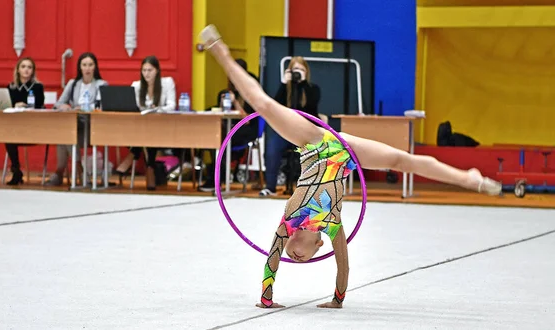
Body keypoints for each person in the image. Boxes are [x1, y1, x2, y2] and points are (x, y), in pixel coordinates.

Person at [198, 24, 502, 309]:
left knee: (263, 106)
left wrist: (266, 298)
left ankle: (468, 178)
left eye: (294, 255)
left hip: (315, 142)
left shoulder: (290, 221)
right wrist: (338, 299)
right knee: (399, 160)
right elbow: (343, 265)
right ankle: (468, 178)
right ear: (320, 245)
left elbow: (272, 259)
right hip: (343, 154)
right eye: (302, 258)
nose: (295, 255)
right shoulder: (333, 225)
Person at [260, 57, 321, 196]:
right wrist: (284, 83)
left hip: (306, 132)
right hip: (286, 132)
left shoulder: (312, 89)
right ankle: (270, 187)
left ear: (306, 71)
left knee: (313, 152)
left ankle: (310, 189)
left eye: (301, 69)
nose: (297, 73)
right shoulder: (286, 89)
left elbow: (312, 106)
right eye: (295, 70)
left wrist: (303, 82)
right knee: (272, 148)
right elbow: (274, 106)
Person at [114, 55, 177, 190]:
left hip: (163, 126)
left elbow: (172, 106)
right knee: (146, 132)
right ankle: (150, 167)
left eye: (150, 70)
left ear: (157, 71)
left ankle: (132, 156)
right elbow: (132, 107)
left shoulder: (167, 83)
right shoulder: (136, 86)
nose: (147, 74)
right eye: (144, 70)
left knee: (149, 132)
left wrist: (157, 109)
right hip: (141, 127)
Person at [198, 58, 259, 192]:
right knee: (216, 136)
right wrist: (222, 103)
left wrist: (235, 102)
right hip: (228, 128)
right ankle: (216, 178)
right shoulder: (227, 92)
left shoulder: (251, 93)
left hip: (246, 129)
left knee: (222, 138)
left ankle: (216, 179)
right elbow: (221, 113)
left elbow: (248, 120)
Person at [48, 52, 108, 186]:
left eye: (90, 65)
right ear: (80, 67)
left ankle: (61, 172)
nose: (87, 68)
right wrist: (65, 107)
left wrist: (83, 107)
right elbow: (58, 104)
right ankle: (78, 168)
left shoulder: (101, 84)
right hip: (74, 123)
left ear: (95, 67)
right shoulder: (73, 83)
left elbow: (102, 105)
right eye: (84, 65)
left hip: (91, 126)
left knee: (66, 132)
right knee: (65, 130)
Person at [5, 57, 45, 185]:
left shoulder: (38, 87)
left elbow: (39, 105)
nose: (26, 70)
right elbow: (6, 105)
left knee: (12, 135)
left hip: (33, 126)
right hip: (15, 126)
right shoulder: (11, 87)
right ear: (18, 70)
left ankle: (16, 171)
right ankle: (16, 171)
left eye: (29, 67)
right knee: (8, 137)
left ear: (33, 71)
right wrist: (14, 105)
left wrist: (26, 106)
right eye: (23, 67)